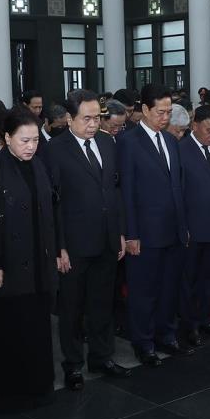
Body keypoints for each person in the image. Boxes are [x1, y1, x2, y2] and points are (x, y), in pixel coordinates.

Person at [0, 108, 59, 410]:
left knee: (38, 327)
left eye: (35, 140)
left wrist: (57, 250)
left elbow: (51, 212)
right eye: (24, 140)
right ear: (7, 138)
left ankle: (40, 386)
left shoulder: (39, 165)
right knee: (11, 329)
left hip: (38, 262)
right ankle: (12, 393)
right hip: (8, 264)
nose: (31, 146)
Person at [45, 90, 129, 389]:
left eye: (97, 118)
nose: (93, 124)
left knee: (102, 303)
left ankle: (101, 356)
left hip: (106, 239)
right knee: (71, 308)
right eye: (87, 118)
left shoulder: (107, 143)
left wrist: (120, 232)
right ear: (70, 118)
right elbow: (52, 202)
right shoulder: (54, 149)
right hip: (74, 244)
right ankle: (72, 365)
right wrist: (59, 246)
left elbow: (114, 191)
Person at [117, 84, 190, 366]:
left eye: (168, 112)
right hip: (145, 233)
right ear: (145, 110)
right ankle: (143, 342)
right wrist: (131, 234)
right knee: (143, 291)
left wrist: (183, 226)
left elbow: (178, 186)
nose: (165, 117)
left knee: (169, 288)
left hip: (173, 230)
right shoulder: (129, 142)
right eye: (161, 112)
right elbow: (127, 192)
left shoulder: (171, 141)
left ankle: (166, 335)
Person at [178, 105, 210, 343]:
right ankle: (189, 325)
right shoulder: (180, 150)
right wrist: (183, 227)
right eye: (209, 130)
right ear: (195, 126)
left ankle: (206, 319)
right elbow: (178, 194)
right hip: (193, 229)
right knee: (189, 279)